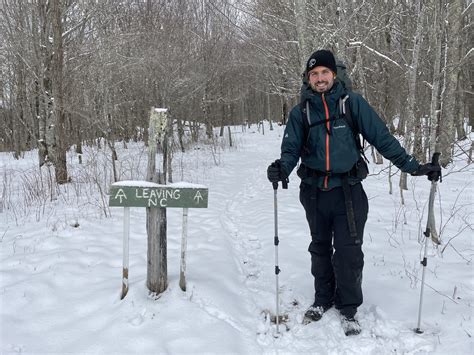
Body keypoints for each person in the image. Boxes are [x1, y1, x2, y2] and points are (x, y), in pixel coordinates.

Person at [267, 49, 440, 336]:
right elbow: (290, 150)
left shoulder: (352, 104)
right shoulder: (301, 112)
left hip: (348, 192)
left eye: (324, 72)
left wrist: (413, 167)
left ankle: (348, 309)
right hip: (313, 192)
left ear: (334, 74)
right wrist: (281, 169)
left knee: (348, 252)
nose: (320, 78)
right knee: (319, 247)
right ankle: (322, 299)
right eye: (314, 74)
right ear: (308, 79)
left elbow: (382, 139)